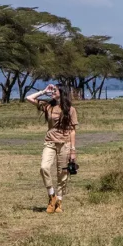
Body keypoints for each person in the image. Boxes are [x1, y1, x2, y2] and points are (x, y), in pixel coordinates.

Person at [26, 83, 78, 214]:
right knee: (44, 167)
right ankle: (52, 196)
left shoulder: (70, 110)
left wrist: (73, 150)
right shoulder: (48, 106)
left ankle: (59, 202)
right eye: (52, 90)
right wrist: (43, 91)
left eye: (55, 90)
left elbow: (72, 131)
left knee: (62, 174)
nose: (52, 92)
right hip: (49, 142)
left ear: (62, 92)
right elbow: (29, 98)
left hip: (65, 144)